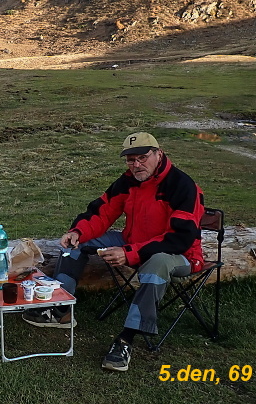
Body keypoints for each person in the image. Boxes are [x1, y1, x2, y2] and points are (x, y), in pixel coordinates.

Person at [22, 132, 205, 372]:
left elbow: (180, 238)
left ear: (158, 154)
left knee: (157, 262)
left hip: (181, 255)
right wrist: (78, 231)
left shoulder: (182, 185)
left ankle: (125, 340)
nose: (136, 164)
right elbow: (103, 211)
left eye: (142, 157)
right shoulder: (129, 180)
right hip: (134, 242)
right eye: (130, 160)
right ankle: (61, 309)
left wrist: (130, 253)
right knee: (79, 242)